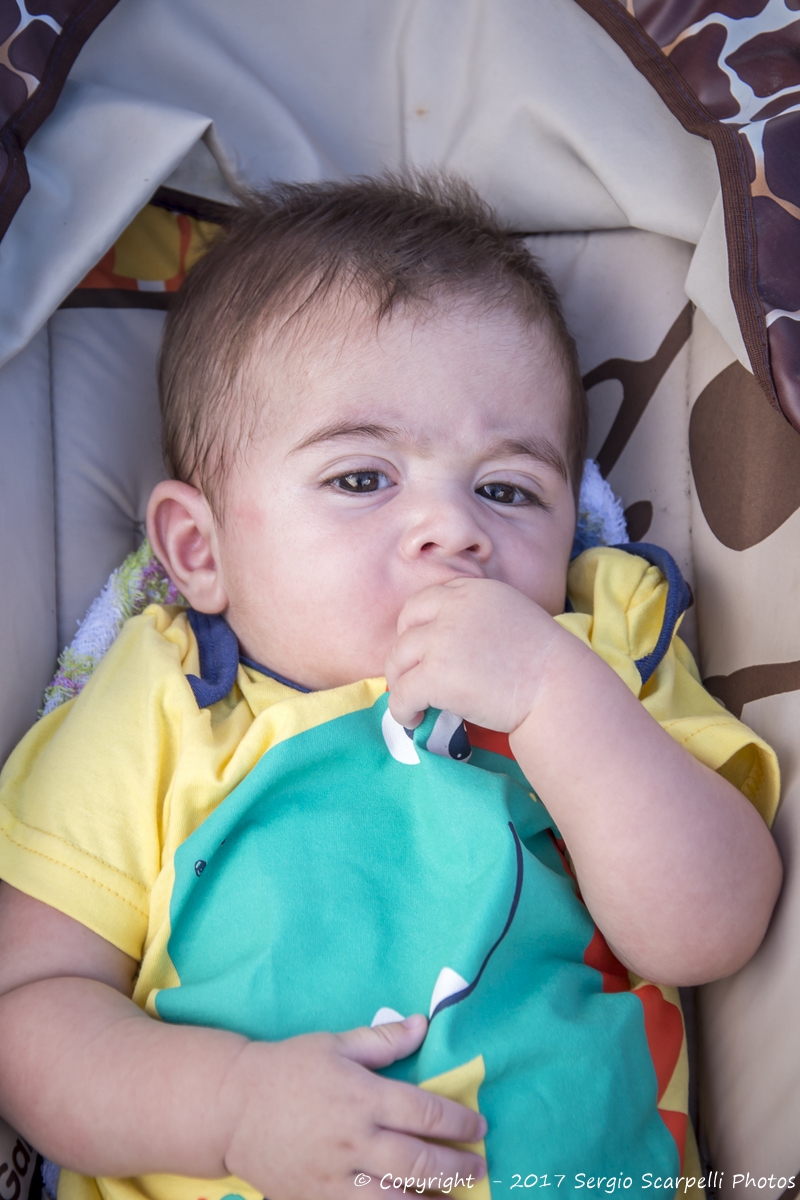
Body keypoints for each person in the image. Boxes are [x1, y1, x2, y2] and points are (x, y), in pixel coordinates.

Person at [0, 176, 783, 1200]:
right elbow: (32, 1007)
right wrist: (231, 1109)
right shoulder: (163, 699)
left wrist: (553, 695)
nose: (453, 529)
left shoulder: (597, 646)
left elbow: (711, 929)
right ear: (199, 549)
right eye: (361, 478)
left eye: (506, 489)